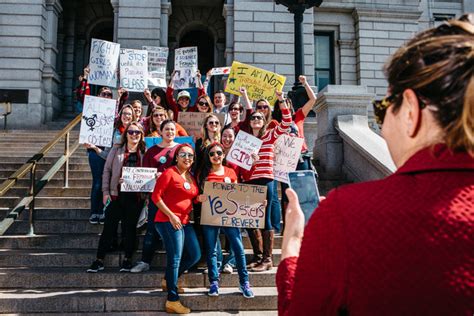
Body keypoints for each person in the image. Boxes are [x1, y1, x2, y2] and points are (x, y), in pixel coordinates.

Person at [277, 15, 474, 315]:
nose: (381, 126)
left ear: (410, 111)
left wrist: (291, 254)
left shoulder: (346, 213)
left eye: (382, 110)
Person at [240, 90, 293, 272]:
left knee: (265, 218)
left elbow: (287, 123)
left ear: (264, 120)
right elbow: (240, 163)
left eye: (259, 118)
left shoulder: (270, 134)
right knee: (252, 219)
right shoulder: (245, 140)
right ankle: (257, 256)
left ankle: (267, 258)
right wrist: (251, 162)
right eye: (253, 117)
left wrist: (281, 100)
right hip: (250, 180)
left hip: (266, 180)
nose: (256, 120)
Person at [196, 142, 255, 298]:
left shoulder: (230, 172)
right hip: (210, 215)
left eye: (219, 153)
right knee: (211, 250)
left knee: (238, 248)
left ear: (223, 155)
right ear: (208, 157)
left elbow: (238, 193)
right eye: (212, 154)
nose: (216, 156)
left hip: (230, 216)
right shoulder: (203, 173)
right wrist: (198, 198)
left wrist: (257, 202)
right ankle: (214, 282)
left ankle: (244, 282)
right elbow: (196, 194)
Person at [87, 122, 146, 273]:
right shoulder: (117, 149)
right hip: (116, 194)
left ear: (141, 135)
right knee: (109, 228)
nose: (134, 135)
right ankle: (99, 259)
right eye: (131, 132)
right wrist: (105, 191)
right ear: (126, 134)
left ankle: (127, 259)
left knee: (130, 229)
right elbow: (106, 170)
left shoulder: (144, 151)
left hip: (135, 197)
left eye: (137, 133)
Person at [151, 143, 201, 314]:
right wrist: (171, 215)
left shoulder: (191, 176)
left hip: (185, 222)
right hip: (167, 220)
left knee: (195, 255)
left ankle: (168, 280)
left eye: (190, 156)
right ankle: (172, 300)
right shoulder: (169, 173)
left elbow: (191, 198)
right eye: (183, 154)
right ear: (177, 156)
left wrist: (200, 198)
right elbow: (155, 196)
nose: (187, 158)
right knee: (175, 258)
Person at [131, 119, 181, 273]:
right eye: (167, 129)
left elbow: (186, 171)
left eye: (172, 129)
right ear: (161, 131)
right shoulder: (152, 151)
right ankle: (145, 261)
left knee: (175, 229)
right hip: (156, 196)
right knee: (152, 228)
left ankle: (175, 263)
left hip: (175, 197)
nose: (170, 132)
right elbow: (143, 173)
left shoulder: (181, 149)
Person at [271, 75, 317, 232]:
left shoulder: (298, 115)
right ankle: (288, 226)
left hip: (301, 156)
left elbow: (313, 100)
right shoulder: (275, 123)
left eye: (288, 103)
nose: (286, 106)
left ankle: (306, 224)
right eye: (283, 104)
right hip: (284, 160)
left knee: (303, 189)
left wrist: (305, 84)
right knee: (286, 193)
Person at [84, 87, 124, 225]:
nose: (107, 96)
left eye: (109, 94)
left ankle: (103, 211)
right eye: (104, 94)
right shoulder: (92, 110)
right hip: (94, 151)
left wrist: (118, 97)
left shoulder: (111, 112)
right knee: (97, 182)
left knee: (105, 182)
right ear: (98, 95)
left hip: (108, 150)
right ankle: (95, 212)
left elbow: (118, 115)